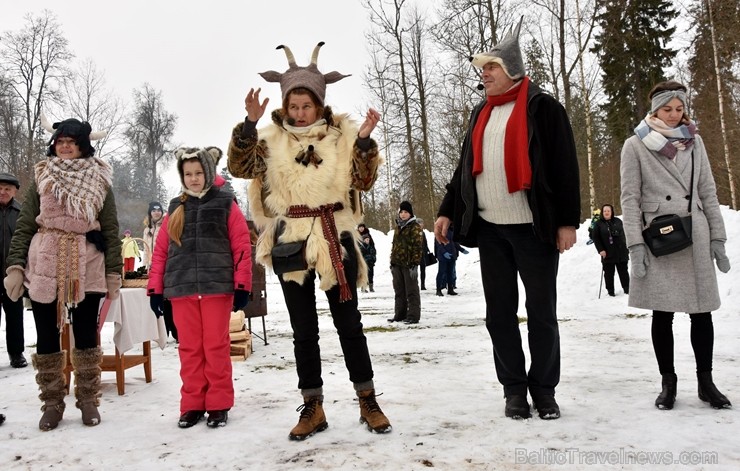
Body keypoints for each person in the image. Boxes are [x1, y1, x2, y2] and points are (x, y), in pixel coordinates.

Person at [226, 42, 391, 440]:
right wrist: (249, 125)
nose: (300, 113)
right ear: (286, 105)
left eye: (307, 105)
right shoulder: (269, 141)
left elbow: (363, 180)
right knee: (304, 330)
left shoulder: (341, 137)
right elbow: (238, 166)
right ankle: (313, 406)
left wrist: (365, 141)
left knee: (349, 324)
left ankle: (367, 399)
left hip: (336, 234)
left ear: (319, 104)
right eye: (294, 106)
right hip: (291, 239)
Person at [434, 18, 580, 420]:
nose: (484, 73)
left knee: (542, 314)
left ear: (512, 70)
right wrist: (448, 208)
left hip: (534, 229)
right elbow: (464, 168)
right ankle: (514, 389)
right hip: (492, 230)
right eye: (483, 68)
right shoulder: (480, 112)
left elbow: (565, 166)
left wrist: (567, 221)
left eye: (491, 67)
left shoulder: (542, 107)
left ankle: (544, 390)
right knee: (499, 314)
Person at [3, 116, 122, 430]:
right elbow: (26, 224)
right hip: (45, 259)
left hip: (88, 261)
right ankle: (52, 403)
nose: (65, 146)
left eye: (71, 141)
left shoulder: (99, 178)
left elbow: (110, 228)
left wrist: (114, 271)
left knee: (85, 333)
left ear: (82, 145)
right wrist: (15, 266)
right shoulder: (43, 176)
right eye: (60, 141)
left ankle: (87, 399)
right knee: (45, 334)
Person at [621, 80, 731, 411]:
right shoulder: (635, 145)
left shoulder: (694, 143)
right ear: (654, 109)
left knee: (702, 313)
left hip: (693, 235)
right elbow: (630, 198)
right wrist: (635, 246)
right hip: (659, 238)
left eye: (679, 109)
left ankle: (706, 382)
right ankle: (668, 383)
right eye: (667, 109)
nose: (673, 115)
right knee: (663, 313)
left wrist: (718, 238)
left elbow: (708, 192)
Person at [147, 146, 252, 429]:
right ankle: (192, 403)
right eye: (188, 173)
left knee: (216, 347)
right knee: (190, 348)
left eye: (198, 172)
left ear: (208, 172)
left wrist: (242, 284)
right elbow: (161, 253)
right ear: (182, 176)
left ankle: (218, 403)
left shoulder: (226, 204)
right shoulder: (175, 208)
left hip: (216, 287)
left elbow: (241, 246)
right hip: (182, 291)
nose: (193, 178)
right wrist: (156, 289)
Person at [0, 172, 27, 368]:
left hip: (13, 273)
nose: (3, 192)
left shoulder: (22, 213)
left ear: (15, 191)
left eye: (7, 189)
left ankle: (16, 353)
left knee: (15, 315)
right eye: (0, 188)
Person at [142, 201, 177, 342]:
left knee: (168, 299)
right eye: (154, 210)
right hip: (153, 266)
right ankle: (163, 331)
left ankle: (175, 331)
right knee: (159, 299)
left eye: (159, 210)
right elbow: (146, 250)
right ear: (150, 213)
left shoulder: (166, 225)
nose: (156, 212)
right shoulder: (147, 230)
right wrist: (145, 266)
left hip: (166, 265)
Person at [388, 201, 423, 324]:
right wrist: (392, 261)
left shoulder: (415, 227)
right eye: (401, 212)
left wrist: (415, 264)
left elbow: (418, 247)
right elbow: (395, 245)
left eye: (406, 212)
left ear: (410, 213)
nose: (403, 214)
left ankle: (413, 315)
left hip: (409, 265)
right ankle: (400, 314)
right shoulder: (398, 227)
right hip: (397, 263)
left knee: (411, 291)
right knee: (399, 291)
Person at [591, 204, 629, 297]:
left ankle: (627, 289)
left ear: (612, 212)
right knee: (608, 273)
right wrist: (601, 250)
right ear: (602, 213)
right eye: (605, 211)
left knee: (623, 271)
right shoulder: (598, 224)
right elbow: (596, 238)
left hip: (621, 251)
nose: (606, 212)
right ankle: (610, 291)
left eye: (608, 211)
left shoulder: (618, 221)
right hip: (607, 252)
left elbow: (625, 233)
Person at [434, 225, 461, 297]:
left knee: (450, 272)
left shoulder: (452, 230)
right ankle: (438, 289)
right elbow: (438, 243)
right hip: (443, 256)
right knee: (441, 272)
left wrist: (461, 249)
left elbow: (454, 242)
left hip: (452, 255)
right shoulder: (440, 230)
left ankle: (450, 289)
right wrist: (444, 252)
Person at [357, 223, 376, 293]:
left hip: (370, 260)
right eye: (360, 227)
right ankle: (363, 286)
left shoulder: (368, 235)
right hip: (363, 259)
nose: (361, 229)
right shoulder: (357, 235)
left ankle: (370, 286)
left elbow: (372, 246)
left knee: (370, 274)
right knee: (363, 274)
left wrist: (373, 258)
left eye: (362, 227)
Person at [417, 218, 430, 290]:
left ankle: (422, 284)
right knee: (414, 271)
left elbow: (425, 243)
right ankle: (415, 284)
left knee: (423, 270)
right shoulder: (414, 232)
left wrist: (427, 250)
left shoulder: (423, 233)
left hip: (423, 254)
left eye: (422, 223)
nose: (422, 225)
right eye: (420, 223)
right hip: (416, 254)